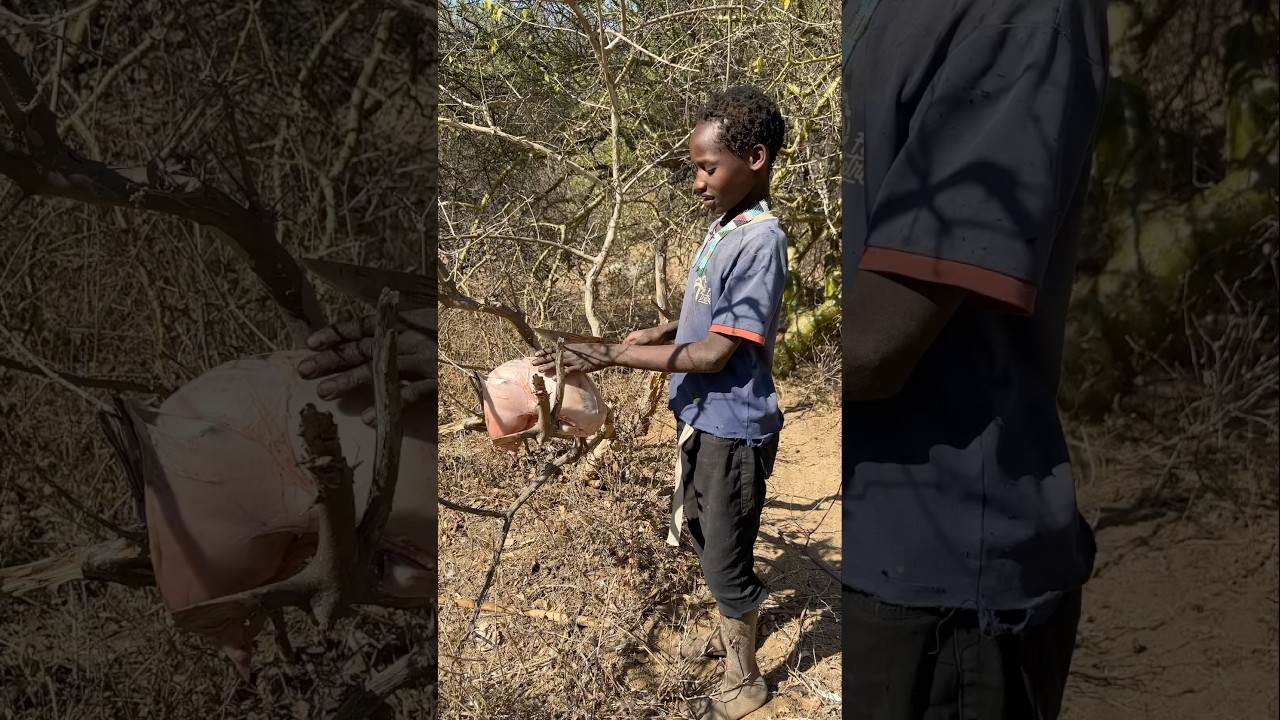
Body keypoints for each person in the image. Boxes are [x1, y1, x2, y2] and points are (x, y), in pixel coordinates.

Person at [840, 0, 1109, 718]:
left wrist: (705, 361)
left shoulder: (1022, 16)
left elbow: (875, 344)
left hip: (944, 583)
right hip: (877, 545)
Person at [529, 84, 788, 720]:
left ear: (754, 158)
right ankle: (739, 615)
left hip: (734, 425)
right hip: (702, 416)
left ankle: (746, 676)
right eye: (694, 168)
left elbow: (715, 354)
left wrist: (612, 355)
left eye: (707, 168)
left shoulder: (762, 240)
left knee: (725, 551)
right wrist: (654, 332)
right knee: (701, 529)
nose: (697, 182)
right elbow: (705, 323)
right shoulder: (725, 226)